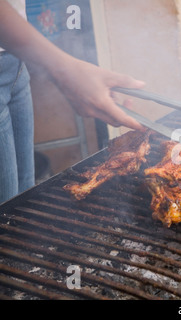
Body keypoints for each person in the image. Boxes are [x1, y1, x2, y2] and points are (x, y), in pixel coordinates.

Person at [0, 0, 146, 203]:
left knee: (22, 195)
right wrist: (64, 71)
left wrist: (67, 73)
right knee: (5, 206)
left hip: (14, 59)